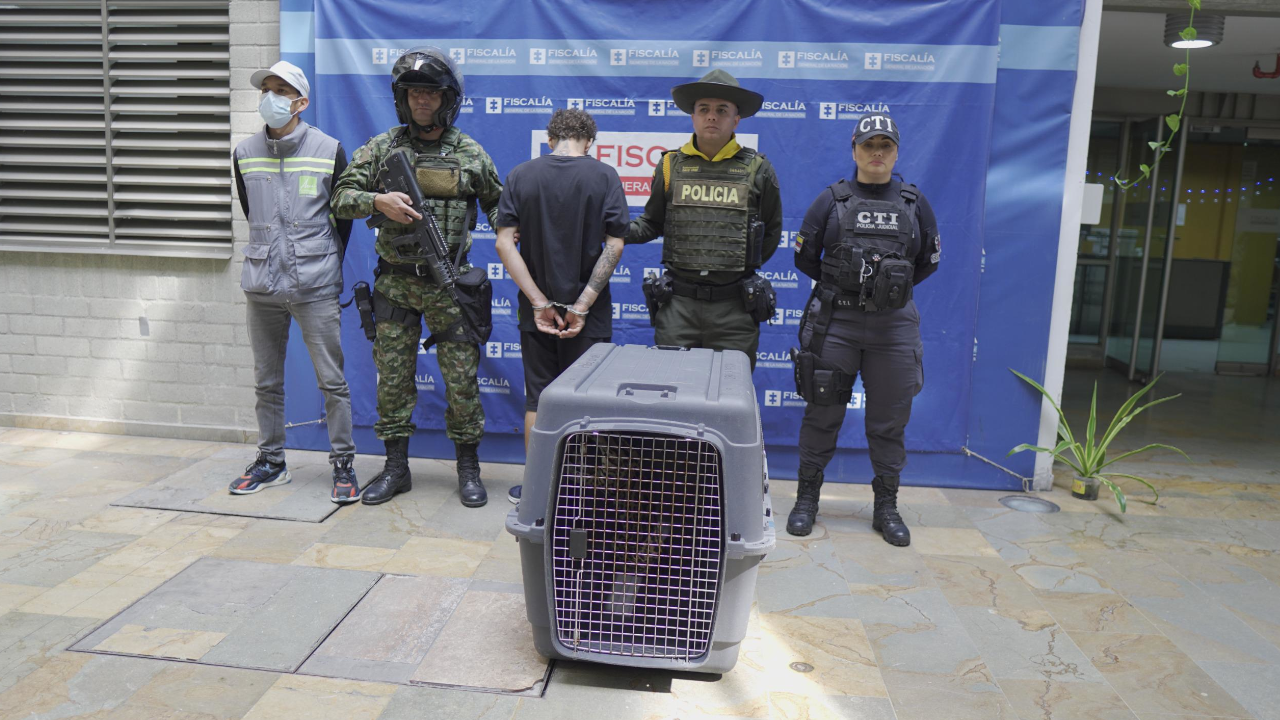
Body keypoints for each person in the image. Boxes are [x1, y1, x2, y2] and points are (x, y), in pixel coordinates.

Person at [332, 47, 503, 508]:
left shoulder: (469, 154)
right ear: (400, 99)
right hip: (397, 284)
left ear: (446, 99)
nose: (421, 101)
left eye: (430, 93)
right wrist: (377, 202)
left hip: (451, 284)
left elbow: (502, 211)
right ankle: (395, 468)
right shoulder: (384, 147)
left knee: (463, 382)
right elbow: (341, 196)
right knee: (393, 381)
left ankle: (468, 468)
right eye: (413, 93)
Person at [788, 113, 941, 545]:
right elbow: (805, 259)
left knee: (889, 420)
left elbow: (927, 263)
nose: (877, 152)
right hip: (837, 323)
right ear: (854, 148)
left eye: (886, 146)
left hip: (894, 327)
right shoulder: (831, 201)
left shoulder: (914, 203)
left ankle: (886, 507)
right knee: (823, 412)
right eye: (869, 144)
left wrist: (885, 294)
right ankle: (806, 500)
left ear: (896, 152)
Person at [230, 61, 359, 504]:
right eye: (266, 89)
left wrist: (317, 261)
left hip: (315, 283)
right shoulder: (244, 152)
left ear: (301, 102)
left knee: (332, 381)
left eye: (281, 90)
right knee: (266, 380)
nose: (271, 97)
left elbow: (342, 221)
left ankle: (343, 464)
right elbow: (253, 214)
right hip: (262, 285)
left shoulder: (329, 148)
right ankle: (271, 461)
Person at [493, 109, 629, 504]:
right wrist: (583, 304)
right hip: (589, 314)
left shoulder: (521, 174)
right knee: (588, 402)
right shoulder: (604, 175)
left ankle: (538, 492)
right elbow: (616, 244)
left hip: (537, 313)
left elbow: (504, 243)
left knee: (539, 399)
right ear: (590, 141)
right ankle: (584, 494)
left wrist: (538, 302)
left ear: (550, 138)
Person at [627, 69, 783, 368]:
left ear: (736, 119)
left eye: (722, 110)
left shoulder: (758, 169)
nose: (712, 116)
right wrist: (611, 229)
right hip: (678, 307)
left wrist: (736, 268)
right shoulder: (670, 165)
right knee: (671, 395)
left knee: (728, 401)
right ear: (693, 116)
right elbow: (651, 223)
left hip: (735, 309)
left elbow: (772, 232)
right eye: (704, 109)